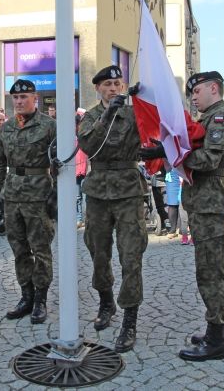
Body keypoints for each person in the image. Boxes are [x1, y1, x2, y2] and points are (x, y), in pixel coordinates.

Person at [170, 71, 224, 362]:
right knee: (216, 270)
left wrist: (175, 154)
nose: (193, 96)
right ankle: (223, 332)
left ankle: (215, 341)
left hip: (211, 203)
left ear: (214, 88)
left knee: (210, 272)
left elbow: (210, 158)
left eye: (197, 91)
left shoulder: (220, 118)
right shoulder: (209, 118)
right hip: (206, 202)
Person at [78, 65, 147, 353]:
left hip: (129, 190)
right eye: (107, 84)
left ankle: (129, 319)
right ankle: (106, 302)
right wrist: (107, 114)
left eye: (118, 83)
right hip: (98, 192)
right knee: (98, 251)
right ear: (98, 89)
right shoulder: (92, 116)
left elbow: (154, 134)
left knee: (131, 256)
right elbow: (88, 145)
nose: (114, 88)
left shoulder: (134, 114)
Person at [0, 79, 56, 325]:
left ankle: (40, 299)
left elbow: (60, 162)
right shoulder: (5, 127)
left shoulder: (49, 126)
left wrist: (56, 195)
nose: (19, 102)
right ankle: (26, 296)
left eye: (24, 97)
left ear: (35, 98)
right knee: (19, 249)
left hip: (38, 195)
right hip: (12, 195)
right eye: (15, 98)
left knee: (41, 250)